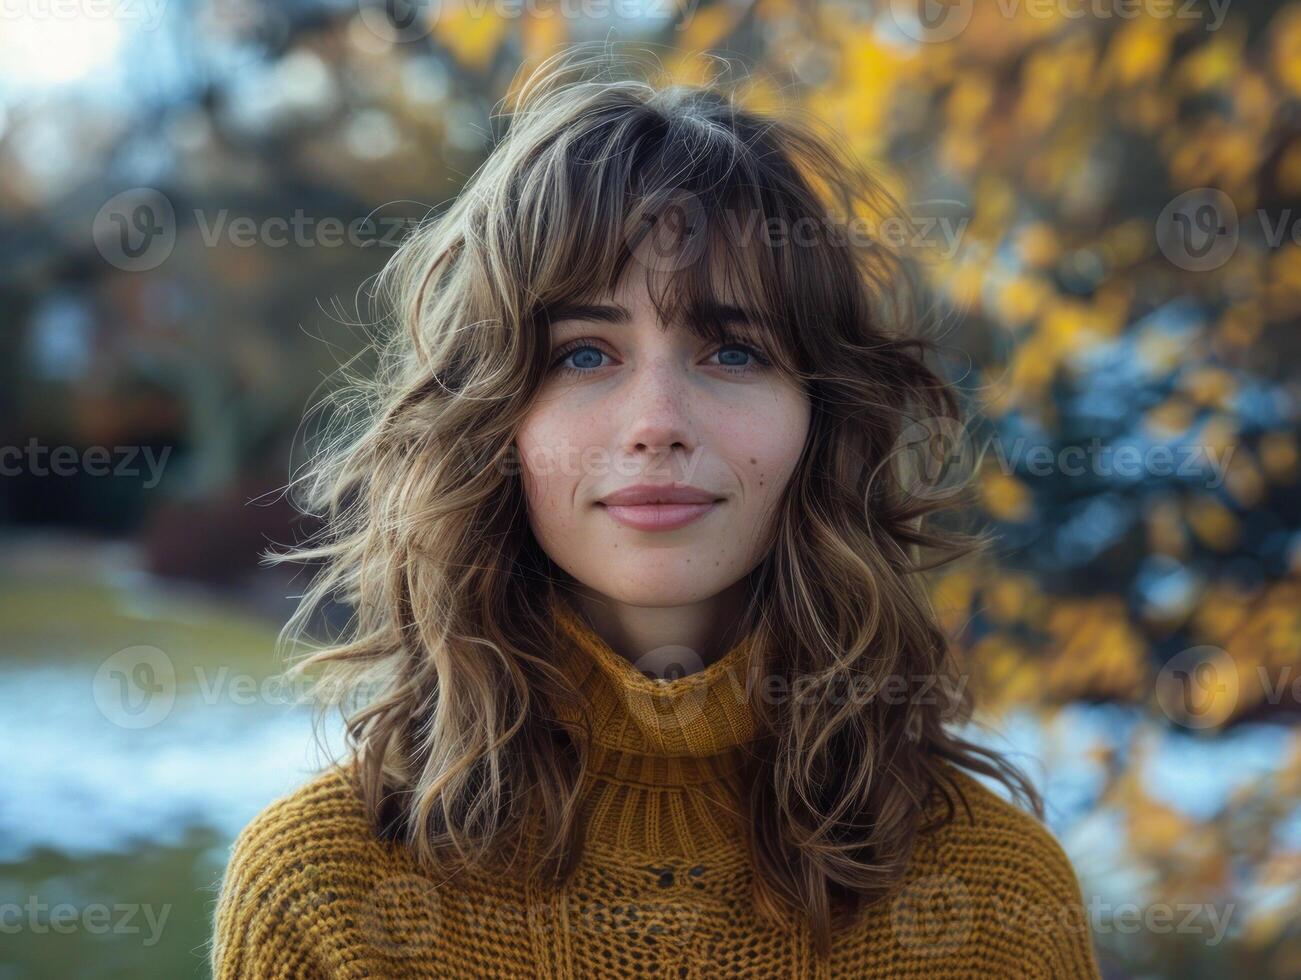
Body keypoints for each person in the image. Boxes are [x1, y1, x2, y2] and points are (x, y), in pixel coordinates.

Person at [209, 43, 1102, 979]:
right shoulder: (329, 890)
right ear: (490, 422)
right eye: (584, 355)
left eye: (732, 352)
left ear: (822, 418)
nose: (656, 425)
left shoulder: (994, 897)